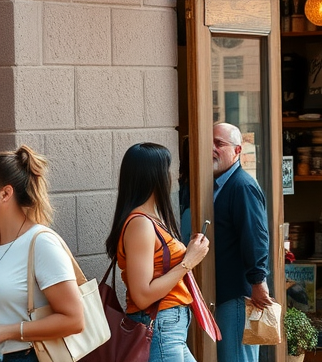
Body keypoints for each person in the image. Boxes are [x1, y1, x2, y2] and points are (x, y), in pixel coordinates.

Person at [105, 143, 211, 362]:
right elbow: (142, 296)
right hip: (161, 324)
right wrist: (188, 261)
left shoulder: (151, 219)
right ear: (154, 176)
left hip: (170, 325)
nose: (171, 176)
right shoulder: (140, 224)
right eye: (168, 169)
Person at [0, 146, 85, 362]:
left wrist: (7, 331)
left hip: (26, 356)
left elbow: (74, 319)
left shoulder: (41, 243)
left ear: (5, 194)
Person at [212, 122, 273, 362]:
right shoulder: (217, 184)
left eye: (219, 144)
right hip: (221, 294)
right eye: (209, 143)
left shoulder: (242, 186)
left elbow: (256, 235)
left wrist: (258, 280)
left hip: (237, 296)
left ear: (238, 151)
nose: (212, 149)